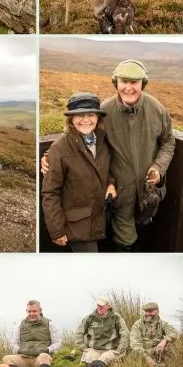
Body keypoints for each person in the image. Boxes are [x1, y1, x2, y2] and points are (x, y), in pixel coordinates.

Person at [42, 60, 175, 251]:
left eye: (134, 83)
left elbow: (169, 141)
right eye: (124, 82)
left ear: (142, 84)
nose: (128, 88)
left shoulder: (157, 109)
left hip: (150, 193)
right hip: (120, 195)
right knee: (124, 241)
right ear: (116, 83)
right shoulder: (105, 111)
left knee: (145, 232)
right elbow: (79, 141)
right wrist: (49, 156)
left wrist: (158, 168)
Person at [41, 93, 116, 253]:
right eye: (79, 115)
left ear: (98, 117)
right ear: (71, 119)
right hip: (76, 228)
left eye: (91, 114)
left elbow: (103, 169)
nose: (86, 120)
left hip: (99, 221)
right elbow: (50, 193)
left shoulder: (102, 140)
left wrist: (111, 183)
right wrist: (57, 230)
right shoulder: (59, 148)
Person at [2, 300, 62, 367]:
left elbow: (58, 343)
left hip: (39, 358)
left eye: (34, 311)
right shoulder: (20, 325)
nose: (31, 314)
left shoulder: (49, 324)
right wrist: (19, 350)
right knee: (6, 358)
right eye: (29, 311)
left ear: (40, 310)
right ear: (26, 311)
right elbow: (13, 343)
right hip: (23, 358)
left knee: (44, 356)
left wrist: (48, 349)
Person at [76, 299, 129, 367]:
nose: (99, 308)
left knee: (105, 358)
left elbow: (125, 334)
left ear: (108, 306)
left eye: (102, 306)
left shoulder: (116, 318)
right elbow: (79, 332)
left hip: (110, 350)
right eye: (98, 305)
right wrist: (83, 347)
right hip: (94, 349)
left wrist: (119, 350)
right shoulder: (90, 318)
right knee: (89, 356)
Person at [129, 302, 178, 367]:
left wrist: (164, 341)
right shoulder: (137, 324)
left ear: (157, 312)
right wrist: (147, 359)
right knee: (134, 354)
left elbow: (174, 333)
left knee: (171, 346)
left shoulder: (163, 324)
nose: (148, 314)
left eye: (151, 311)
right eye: (146, 311)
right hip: (143, 352)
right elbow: (135, 345)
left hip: (157, 350)